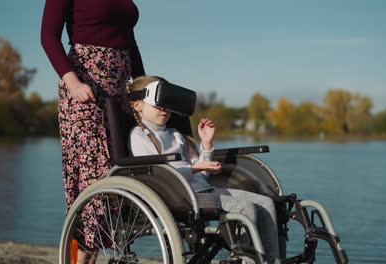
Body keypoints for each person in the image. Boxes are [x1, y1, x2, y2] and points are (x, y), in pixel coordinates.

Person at [127, 75, 280, 264]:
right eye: (158, 105)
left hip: (203, 191)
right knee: (244, 208)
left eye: (167, 105)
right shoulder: (139, 136)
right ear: (138, 105)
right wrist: (194, 168)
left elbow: (202, 174)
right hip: (177, 196)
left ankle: (270, 261)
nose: (164, 109)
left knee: (266, 203)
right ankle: (246, 260)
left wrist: (206, 146)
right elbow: (157, 175)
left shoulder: (175, 135)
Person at [40, 0, 145, 262]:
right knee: (91, 182)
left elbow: (130, 44)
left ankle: (102, 253)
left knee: (117, 176)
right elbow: (48, 37)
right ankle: (78, 259)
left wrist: (143, 89)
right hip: (85, 88)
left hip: (121, 89)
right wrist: (72, 81)